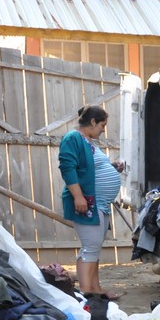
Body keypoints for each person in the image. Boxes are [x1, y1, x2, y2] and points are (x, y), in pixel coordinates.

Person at [59, 105, 123, 300]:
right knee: (90, 246)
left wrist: (112, 168)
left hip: (99, 204)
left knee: (94, 246)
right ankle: (87, 292)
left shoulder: (90, 143)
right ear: (93, 122)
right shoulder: (73, 138)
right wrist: (78, 196)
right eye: (102, 124)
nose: (104, 129)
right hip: (86, 202)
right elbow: (67, 167)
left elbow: (90, 168)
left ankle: (96, 288)